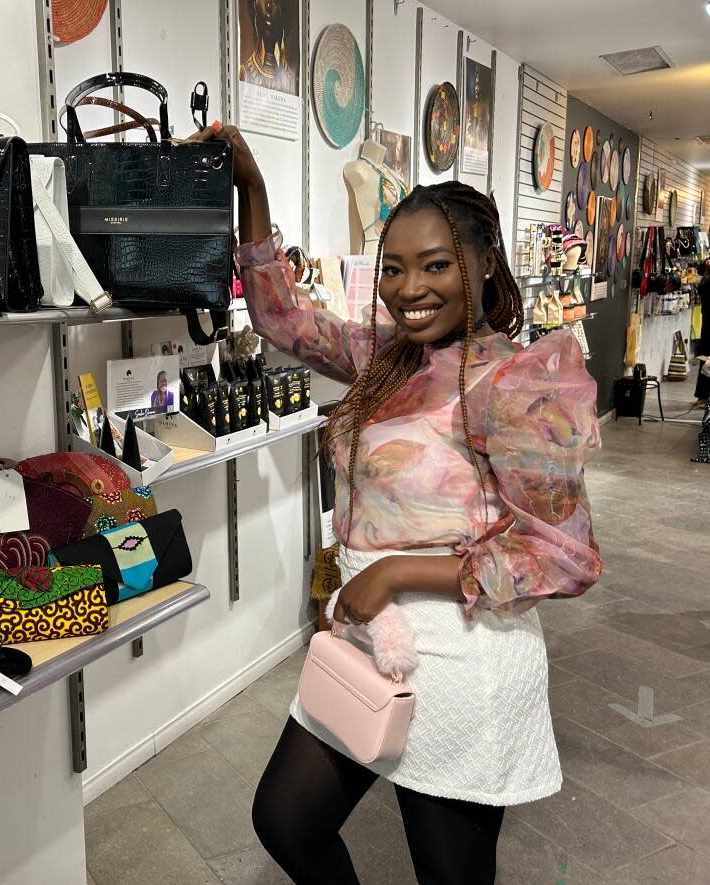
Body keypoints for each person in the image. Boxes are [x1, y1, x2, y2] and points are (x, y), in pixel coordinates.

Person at [193, 121, 601, 884]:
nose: (410, 288)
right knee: (286, 818)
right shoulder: (390, 357)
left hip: (461, 649)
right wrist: (249, 184)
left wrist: (393, 574)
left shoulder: (516, 383)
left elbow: (564, 555)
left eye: (436, 265)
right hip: (369, 637)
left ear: (482, 265)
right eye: (394, 268)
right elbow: (283, 318)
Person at [238, 0, 297, 96]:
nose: (268, 6)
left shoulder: (289, 79)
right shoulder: (245, 72)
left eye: (275, 1)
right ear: (254, 7)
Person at [694, 260, 710, 406]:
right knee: (705, 357)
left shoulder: (706, 282)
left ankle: (703, 396)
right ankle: (703, 396)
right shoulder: (706, 282)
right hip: (707, 327)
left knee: (705, 357)